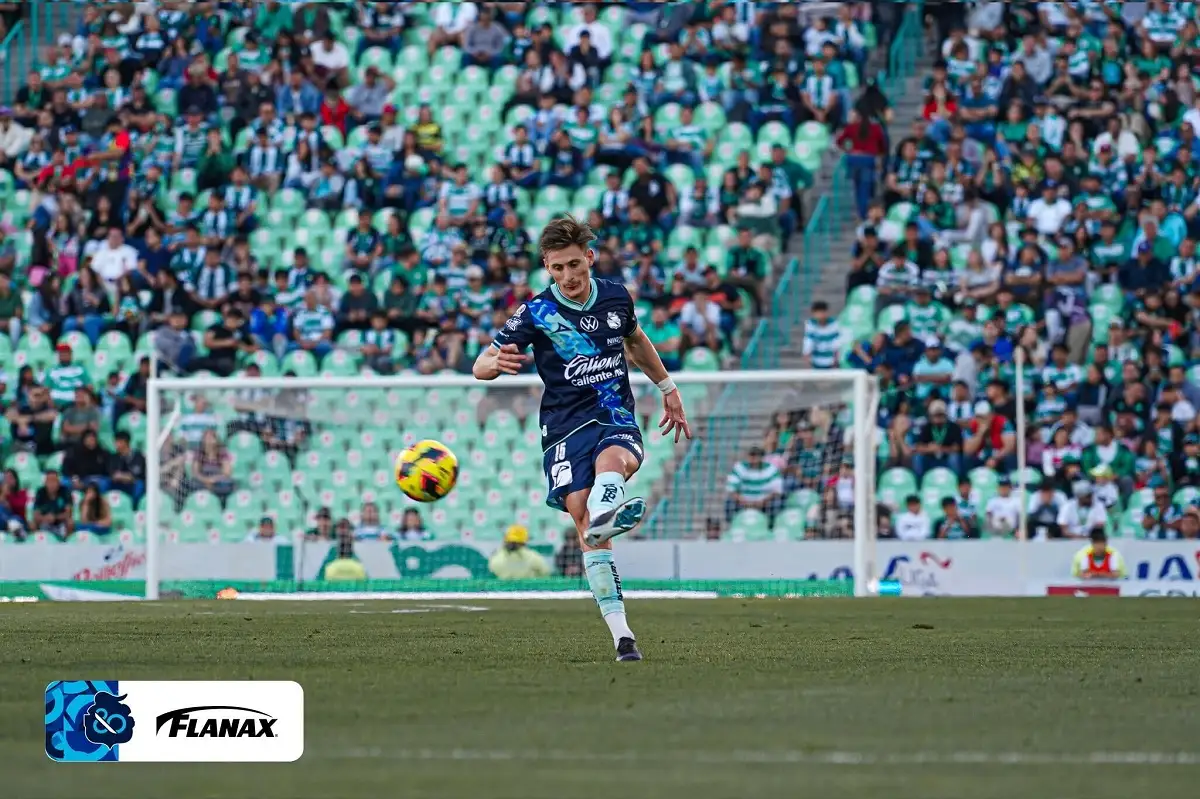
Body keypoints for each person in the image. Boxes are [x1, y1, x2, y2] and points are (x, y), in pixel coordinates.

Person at [473, 215, 691, 662]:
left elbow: (636, 341)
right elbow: (481, 364)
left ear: (589, 258)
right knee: (582, 518)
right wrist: (493, 365)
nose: (568, 276)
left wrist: (668, 388)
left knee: (615, 461)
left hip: (613, 412)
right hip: (563, 426)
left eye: (574, 264)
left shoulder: (615, 297)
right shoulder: (536, 312)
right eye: (558, 268)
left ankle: (606, 506)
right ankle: (622, 635)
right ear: (547, 268)